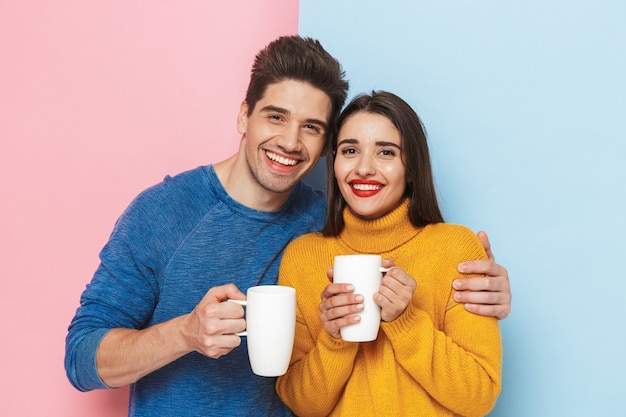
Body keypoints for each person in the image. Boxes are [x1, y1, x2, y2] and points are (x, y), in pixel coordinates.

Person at [64, 36, 509, 417]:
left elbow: (411, 245)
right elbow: (82, 357)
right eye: (276, 116)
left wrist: (486, 286)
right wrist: (183, 333)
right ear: (244, 116)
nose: (290, 142)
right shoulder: (162, 213)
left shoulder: (325, 225)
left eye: (311, 127)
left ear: (323, 149)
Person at [276, 91, 502, 416]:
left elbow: (478, 396)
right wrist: (334, 339)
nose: (364, 168)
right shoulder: (303, 256)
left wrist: (406, 322)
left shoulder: (456, 248)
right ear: (334, 163)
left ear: (411, 168)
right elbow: (301, 403)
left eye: (386, 152)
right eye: (350, 150)